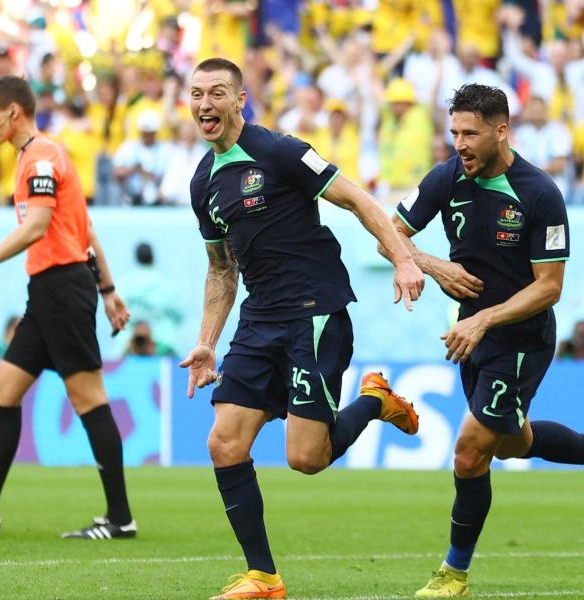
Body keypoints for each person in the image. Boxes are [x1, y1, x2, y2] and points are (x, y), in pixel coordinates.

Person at [388, 84, 584, 598]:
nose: (459, 143)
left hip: (521, 337)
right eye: (454, 131)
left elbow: (549, 287)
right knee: (511, 443)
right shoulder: (445, 177)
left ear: (501, 130)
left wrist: (483, 320)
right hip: (471, 336)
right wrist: (433, 265)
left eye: (470, 133)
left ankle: (453, 574)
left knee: (469, 453)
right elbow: (389, 230)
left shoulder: (538, 193)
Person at [180, 58, 425, 600]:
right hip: (258, 318)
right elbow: (222, 269)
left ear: (240, 99)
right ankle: (264, 578)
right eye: (196, 94)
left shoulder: (281, 151)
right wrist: (206, 342)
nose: (204, 105)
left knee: (306, 459)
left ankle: (374, 400)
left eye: (216, 93)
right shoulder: (203, 181)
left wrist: (404, 258)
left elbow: (357, 198)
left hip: (314, 312)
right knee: (224, 442)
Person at [0, 75, 135, 540]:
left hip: (62, 289)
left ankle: (120, 518)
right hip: (52, 292)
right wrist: (108, 288)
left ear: (13, 112)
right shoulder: (41, 156)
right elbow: (85, 229)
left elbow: (37, 227)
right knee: (2, 390)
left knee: (89, 399)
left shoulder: (40, 157)